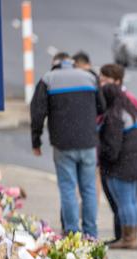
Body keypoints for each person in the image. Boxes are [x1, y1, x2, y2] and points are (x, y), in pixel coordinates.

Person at [30, 52, 104, 238]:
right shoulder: (90, 77)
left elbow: (37, 113)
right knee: (88, 188)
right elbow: (102, 107)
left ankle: (72, 233)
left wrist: (36, 141)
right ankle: (91, 234)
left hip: (63, 144)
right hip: (88, 143)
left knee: (68, 188)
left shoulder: (48, 79)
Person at [98, 63, 137, 244]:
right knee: (132, 202)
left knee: (124, 202)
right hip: (136, 161)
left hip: (121, 166)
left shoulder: (115, 115)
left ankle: (127, 239)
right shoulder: (132, 110)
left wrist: (104, 158)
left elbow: (112, 146)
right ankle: (132, 236)